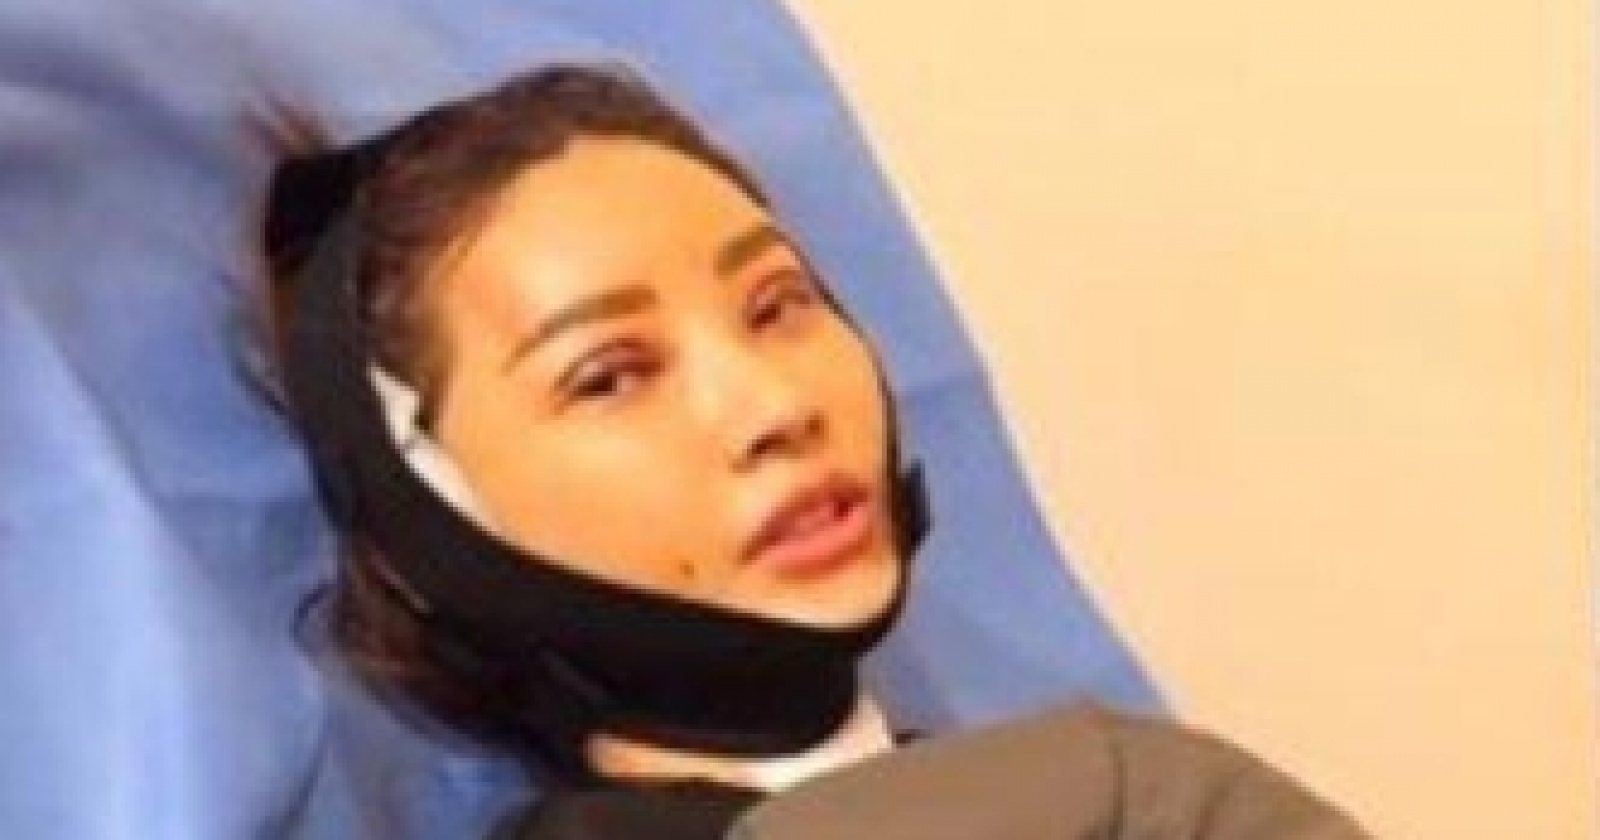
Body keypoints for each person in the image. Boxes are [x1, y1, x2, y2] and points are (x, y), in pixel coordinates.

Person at [265, 64, 1366, 839]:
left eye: (778, 305)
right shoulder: (1128, 799)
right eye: (609, 375)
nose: (774, 405)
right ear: (428, 512)